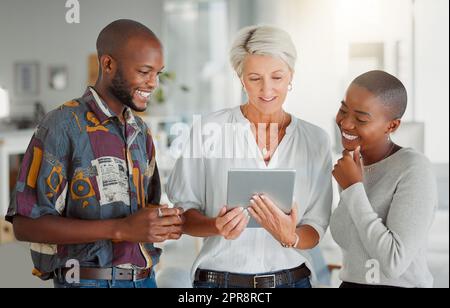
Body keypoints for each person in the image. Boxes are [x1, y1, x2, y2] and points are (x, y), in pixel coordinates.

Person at [6, 19, 184, 288]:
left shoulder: (140, 131)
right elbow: (25, 225)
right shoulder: (61, 125)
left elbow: (145, 213)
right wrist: (120, 228)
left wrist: (162, 221)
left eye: (158, 73)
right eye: (145, 71)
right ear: (108, 64)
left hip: (145, 279)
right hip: (88, 282)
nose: (153, 83)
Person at [167, 25, 332, 288]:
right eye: (255, 78)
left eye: (277, 77)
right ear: (241, 78)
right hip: (219, 282)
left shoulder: (316, 141)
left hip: (292, 280)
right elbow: (182, 214)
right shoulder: (209, 131)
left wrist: (292, 236)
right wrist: (215, 226)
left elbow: (317, 225)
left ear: (291, 74)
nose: (267, 90)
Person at [330, 70, 438, 288]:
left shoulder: (413, 168)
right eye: (343, 110)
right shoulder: (353, 164)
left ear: (392, 126)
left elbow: (393, 262)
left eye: (360, 118)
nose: (346, 123)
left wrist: (353, 188)